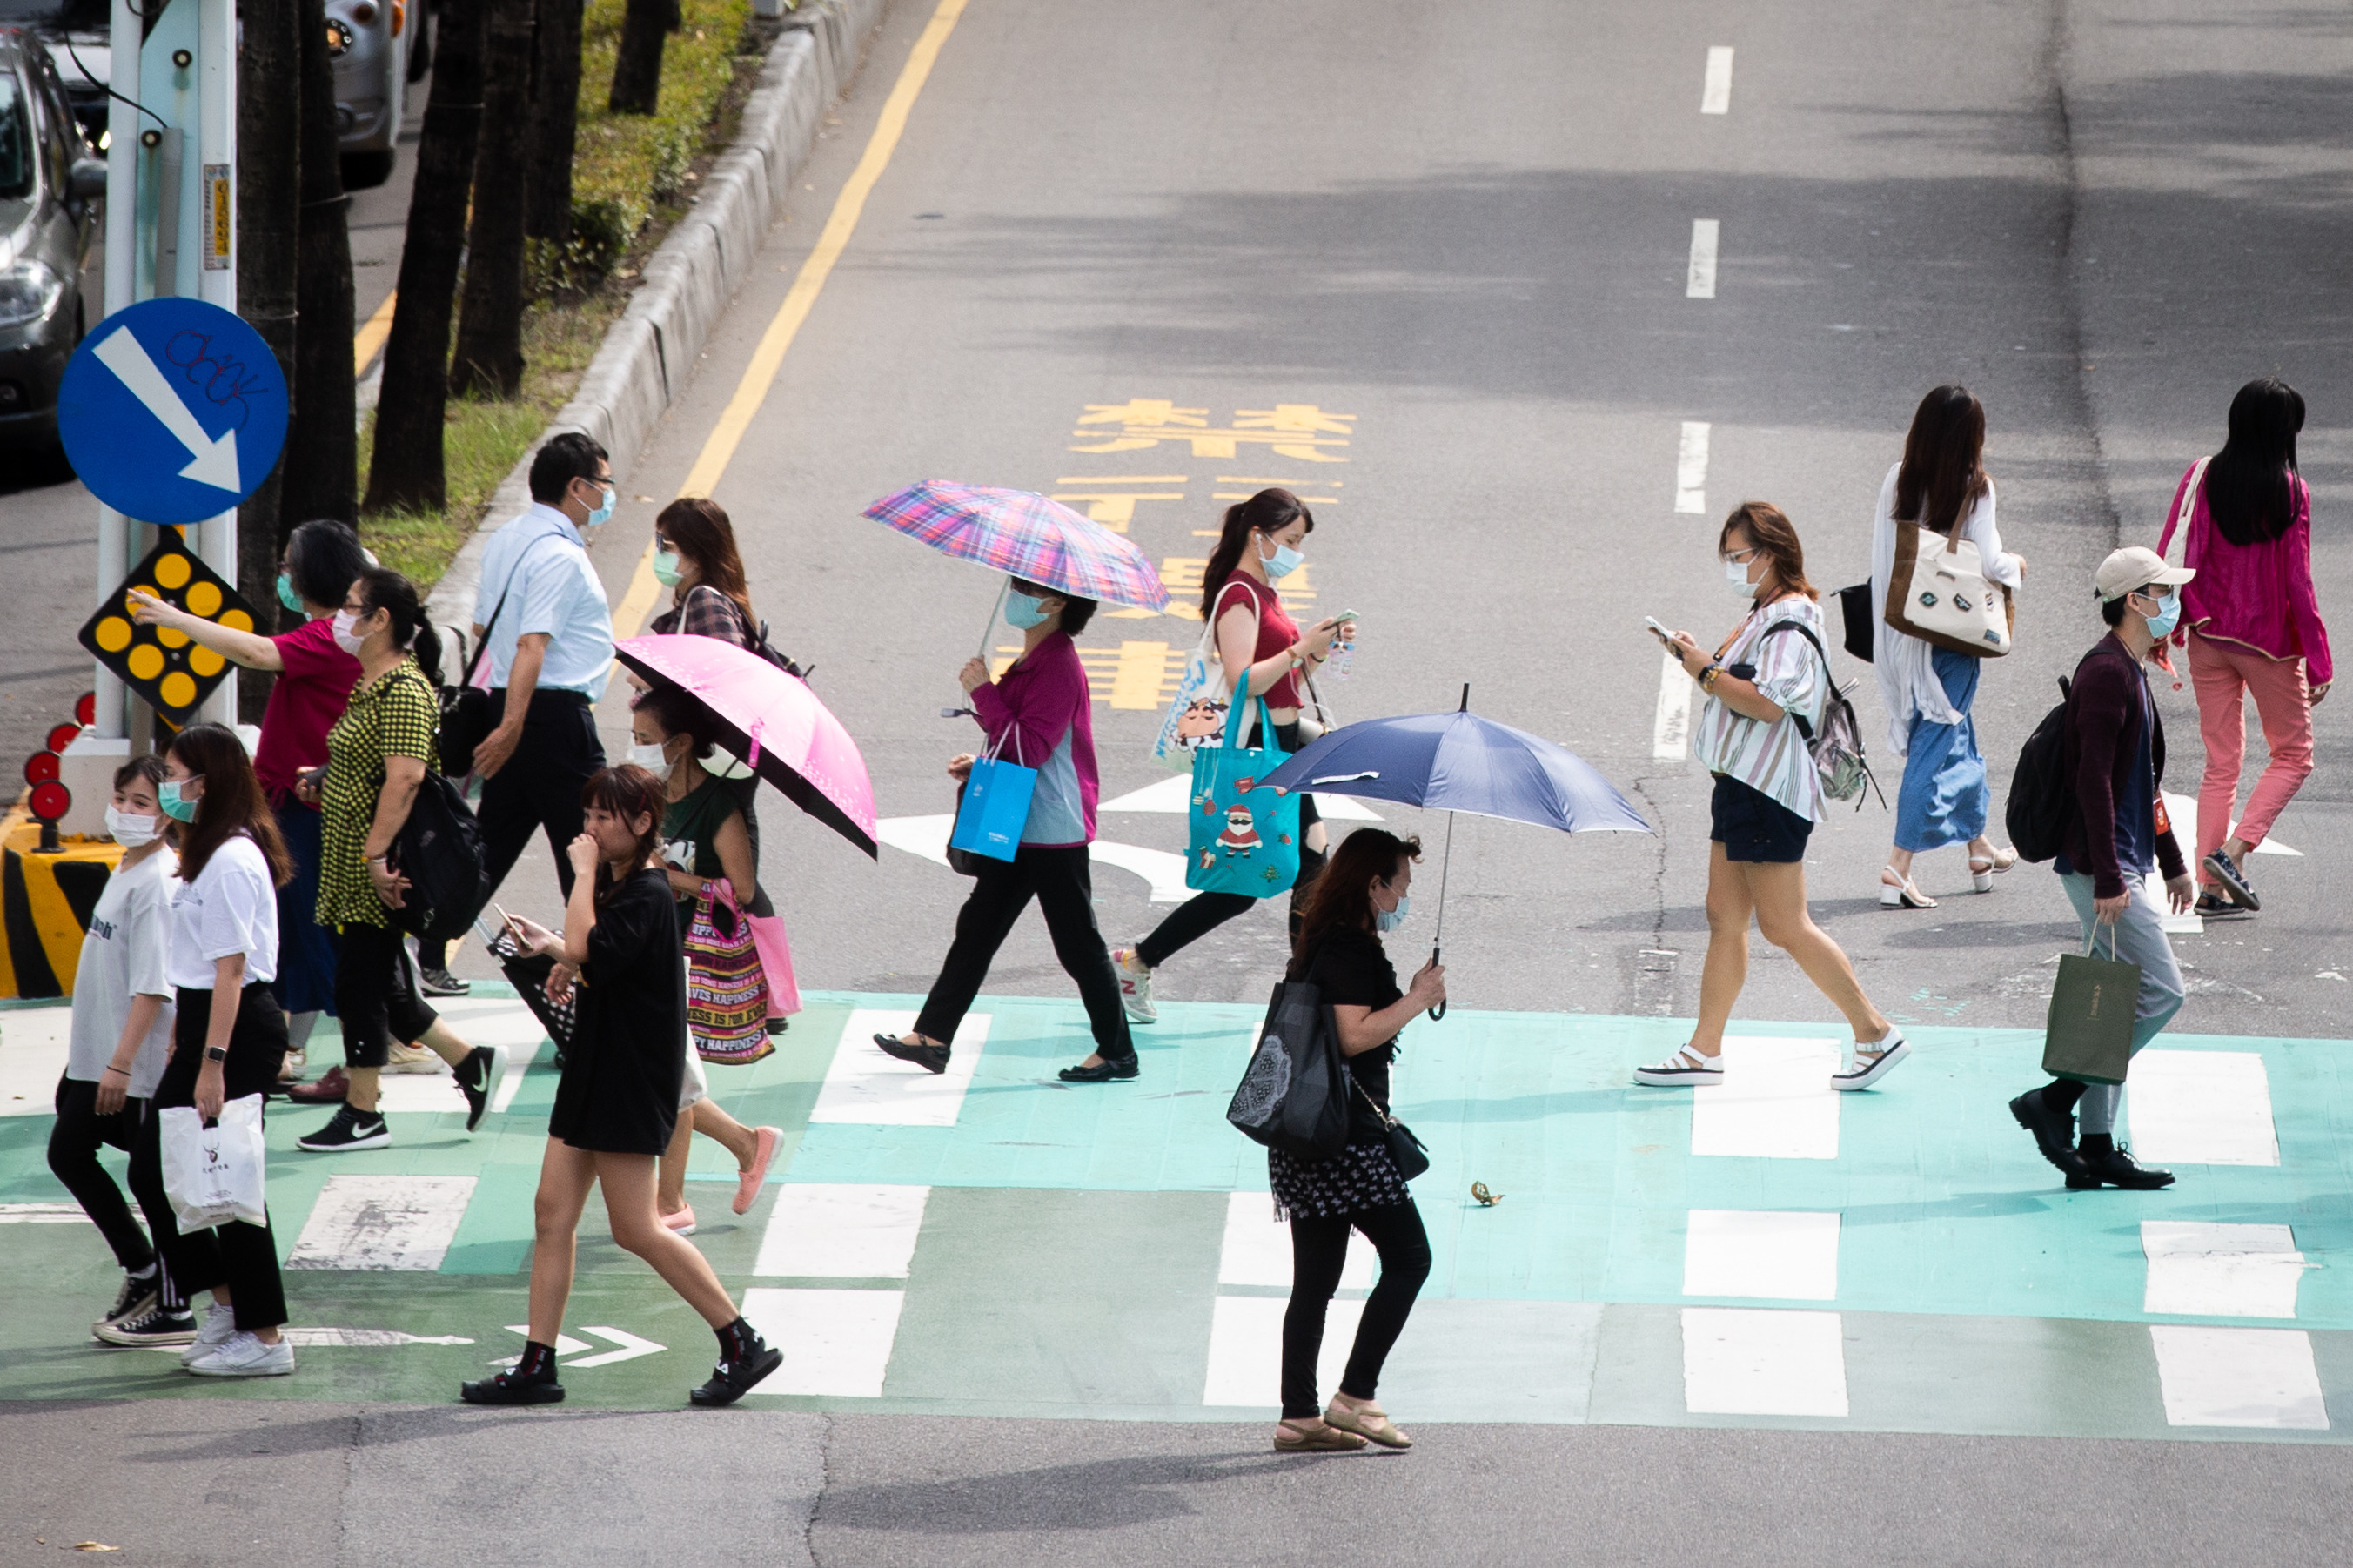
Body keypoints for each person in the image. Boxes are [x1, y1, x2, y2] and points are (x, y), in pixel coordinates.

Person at [461, 765, 781, 1407]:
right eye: (589, 815)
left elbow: (591, 946)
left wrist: (574, 912)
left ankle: (741, 1342)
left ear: (642, 823)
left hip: (628, 1079)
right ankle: (538, 1364)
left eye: (605, 817)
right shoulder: (620, 887)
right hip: (594, 1068)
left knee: (636, 1228)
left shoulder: (648, 891)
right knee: (552, 1213)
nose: (592, 828)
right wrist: (556, 951)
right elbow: (594, 953)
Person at [1638, 502, 1909, 1091]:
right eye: (1728, 556)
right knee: (1724, 916)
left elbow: (1765, 702)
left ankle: (1875, 1032)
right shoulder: (1765, 611)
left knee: (1785, 926)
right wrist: (1700, 662)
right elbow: (1738, 684)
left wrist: (1704, 671)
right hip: (1742, 785)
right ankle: (1703, 1049)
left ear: (1773, 554)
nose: (1733, 566)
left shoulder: (1790, 615)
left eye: (1740, 556)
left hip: (1768, 790)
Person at [131, 519, 371, 1097]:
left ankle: (392, 1048)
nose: (284, 575)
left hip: (310, 812)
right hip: (295, 803)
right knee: (307, 936)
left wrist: (173, 618)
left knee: (316, 941)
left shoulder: (336, 634)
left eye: (290, 563)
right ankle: (322, 1048)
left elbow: (257, 651)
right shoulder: (331, 629)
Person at [875, 576, 1136, 1082]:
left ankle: (1118, 1050)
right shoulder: (1034, 658)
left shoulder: (1058, 663)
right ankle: (932, 1036)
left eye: (1025, 588)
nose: (1015, 595)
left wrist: (982, 691)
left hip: (1050, 828)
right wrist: (982, 761)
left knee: (1076, 943)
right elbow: (1017, 732)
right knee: (977, 929)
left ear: (1056, 604)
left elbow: (1032, 746)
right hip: (1021, 821)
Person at [1111, 489, 1353, 1023]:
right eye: (1289, 541)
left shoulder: (1263, 589)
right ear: (1257, 535)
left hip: (1285, 745)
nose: (1294, 552)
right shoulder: (1238, 595)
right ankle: (1140, 960)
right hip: (1256, 753)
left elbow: (1285, 680)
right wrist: (1298, 646)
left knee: (1312, 865)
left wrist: (1317, 647)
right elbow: (1246, 679)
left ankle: (1307, 989)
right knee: (1251, 882)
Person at [2008, 548, 2196, 1191]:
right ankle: (2054, 1101)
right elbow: (2091, 779)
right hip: (2101, 867)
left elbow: (2140, 780)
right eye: (2161, 591)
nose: (2172, 601)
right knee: (2162, 993)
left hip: (2122, 861)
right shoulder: (2106, 674)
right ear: (2132, 600)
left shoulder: (2131, 669)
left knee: (2111, 1003)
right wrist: (2112, 877)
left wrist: (2171, 862)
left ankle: (2095, 1147)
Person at [292, 569, 498, 1154]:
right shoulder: (370, 684)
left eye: (353, 608)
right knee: (385, 988)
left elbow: (405, 779)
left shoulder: (404, 689)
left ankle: (363, 1113)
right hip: (357, 860)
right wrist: (326, 777)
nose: (342, 619)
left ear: (381, 620)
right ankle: (471, 1063)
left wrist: (378, 857)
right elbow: (374, 760)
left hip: (380, 867)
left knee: (359, 985)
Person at [123, 723, 298, 1377]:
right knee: (165, 1171)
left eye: (173, 776)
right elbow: (202, 967)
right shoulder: (209, 849)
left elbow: (232, 970)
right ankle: (226, 1303)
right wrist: (188, 1032)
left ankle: (266, 1337)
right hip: (206, 1021)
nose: (167, 787)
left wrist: (212, 1063)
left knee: (231, 1178)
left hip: (235, 1029)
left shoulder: (230, 857)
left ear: (207, 781)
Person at [1269, 828, 1440, 1453]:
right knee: (1409, 1258)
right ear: (1375, 885)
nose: (1404, 898)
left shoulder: (1324, 937)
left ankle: (1299, 1415)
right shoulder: (1347, 948)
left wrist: (1410, 992)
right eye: (1402, 885)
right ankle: (1356, 1396)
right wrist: (1419, 998)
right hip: (1345, 1141)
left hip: (1305, 1134)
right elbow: (1351, 1035)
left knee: (1314, 1281)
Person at [2155, 377, 2331, 918]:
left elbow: (2170, 546)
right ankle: (2231, 853)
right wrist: (2320, 660)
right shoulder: (2289, 491)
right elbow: (2297, 583)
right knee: (2294, 756)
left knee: (2221, 762)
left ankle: (2212, 884)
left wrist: (2163, 624)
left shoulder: (2203, 475)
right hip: (2268, 645)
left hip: (2207, 635)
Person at [629, 686, 783, 1232]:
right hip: (640, 948)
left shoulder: (719, 804)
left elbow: (741, 888)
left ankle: (670, 1205)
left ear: (682, 742)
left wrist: (670, 877)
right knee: (670, 1078)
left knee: (674, 1079)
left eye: (646, 739)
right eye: (634, 737)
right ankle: (747, 1144)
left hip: (689, 959)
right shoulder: (643, 796)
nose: (637, 748)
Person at [1870, 386, 2027, 908]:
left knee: (1959, 736)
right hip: (1951, 637)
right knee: (1934, 744)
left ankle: (1978, 846)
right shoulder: (1975, 487)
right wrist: (2018, 568)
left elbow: (1886, 551)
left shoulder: (1899, 477)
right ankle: (1899, 864)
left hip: (1904, 631)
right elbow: (1990, 562)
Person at [57, 758, 187, 1346]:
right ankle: (144, 1270)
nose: (128, 813)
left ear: (167, 816)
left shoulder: (158, 881)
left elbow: (154, 986)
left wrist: (121, 1063)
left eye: (144, 804)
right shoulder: (128, 866)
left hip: (135, 1065)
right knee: (71, 1151)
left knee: (156, 1181)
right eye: (124, 799)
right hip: (102, 1056)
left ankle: (177, 1297)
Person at [470, 432, 618, 915]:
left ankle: (430, 949)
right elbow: (531, 643)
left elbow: (480, 625)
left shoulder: (505, 539)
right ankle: (593, 951)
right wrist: (514, 727)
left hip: (509, 705)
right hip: (550, 716)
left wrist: (508, 721)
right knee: (592, 839)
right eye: (603, 484)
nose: (606, 495)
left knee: (493, 839)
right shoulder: (561, 555)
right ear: (577, 487)